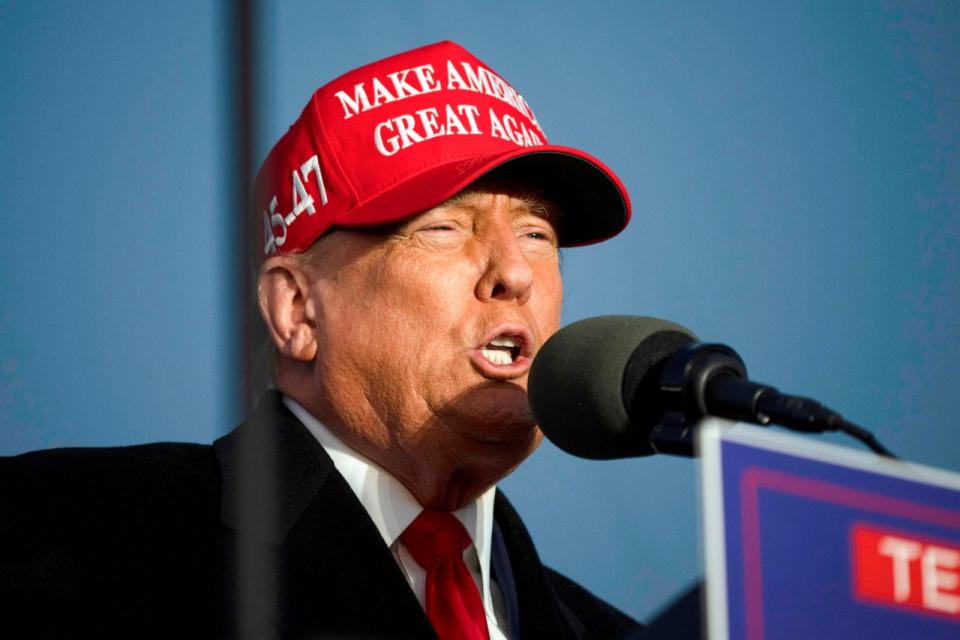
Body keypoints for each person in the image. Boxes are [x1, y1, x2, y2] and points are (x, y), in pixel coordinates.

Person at [0, 41, 642, 639]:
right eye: (445, 227)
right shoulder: (69, 536)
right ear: (297, 309)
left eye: (538, 234)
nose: (517, 273)